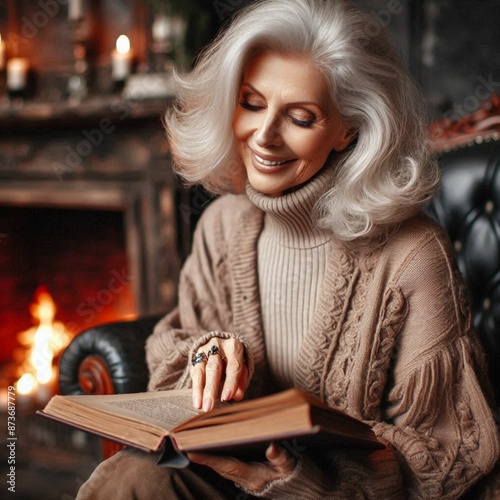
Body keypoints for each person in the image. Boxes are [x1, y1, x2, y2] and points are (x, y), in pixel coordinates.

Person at [77, 0, 499, 498]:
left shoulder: (412, 253)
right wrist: (206, 356)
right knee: (132, 479)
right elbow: (176, 350)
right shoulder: (222, 225)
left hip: (335, 494)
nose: (265, 137)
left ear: (349, 129)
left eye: (300, 117)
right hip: (223, 478)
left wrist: (309, 484)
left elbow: (450, 449)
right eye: (251, 103)